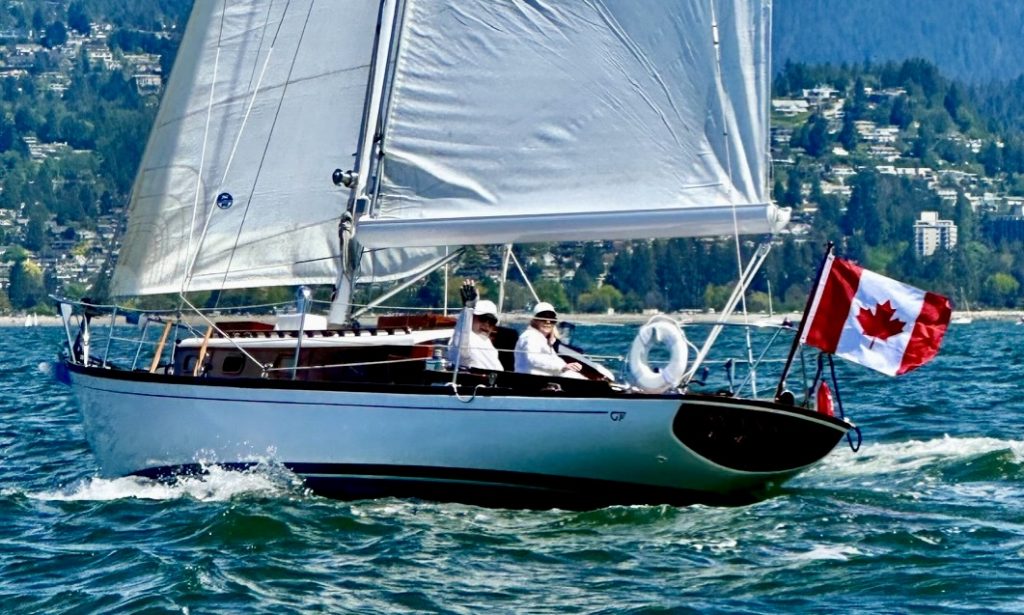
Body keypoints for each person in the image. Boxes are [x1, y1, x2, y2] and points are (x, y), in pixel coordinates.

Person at [514, 302, 585, 378]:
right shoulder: (530, 336)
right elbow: (533, 358)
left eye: (552, 320)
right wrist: (562, 367)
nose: (548, 322)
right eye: (543, 318)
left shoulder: (544, 340)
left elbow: (555, 361)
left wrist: (568, 367)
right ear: (535, 320)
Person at [447, 280, 504, 371]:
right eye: (483, 319)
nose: (486, 324)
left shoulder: (488, 344)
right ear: (472, 318)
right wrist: (468, 308)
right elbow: (461, 345)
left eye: (491, 322)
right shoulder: (466, 339)